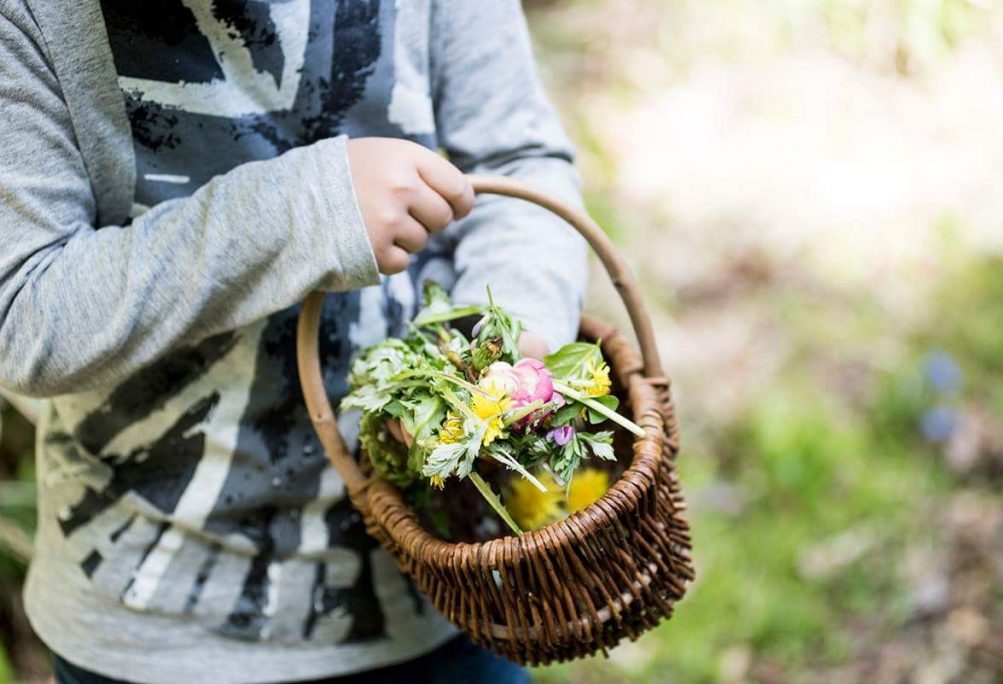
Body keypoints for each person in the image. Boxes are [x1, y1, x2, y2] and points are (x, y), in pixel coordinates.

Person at [0, 1, 588, 682]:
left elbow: (519, 159)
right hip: (154, 631)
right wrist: (308, 210)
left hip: (447, 585)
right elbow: (22, 310)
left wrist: (503, 352)